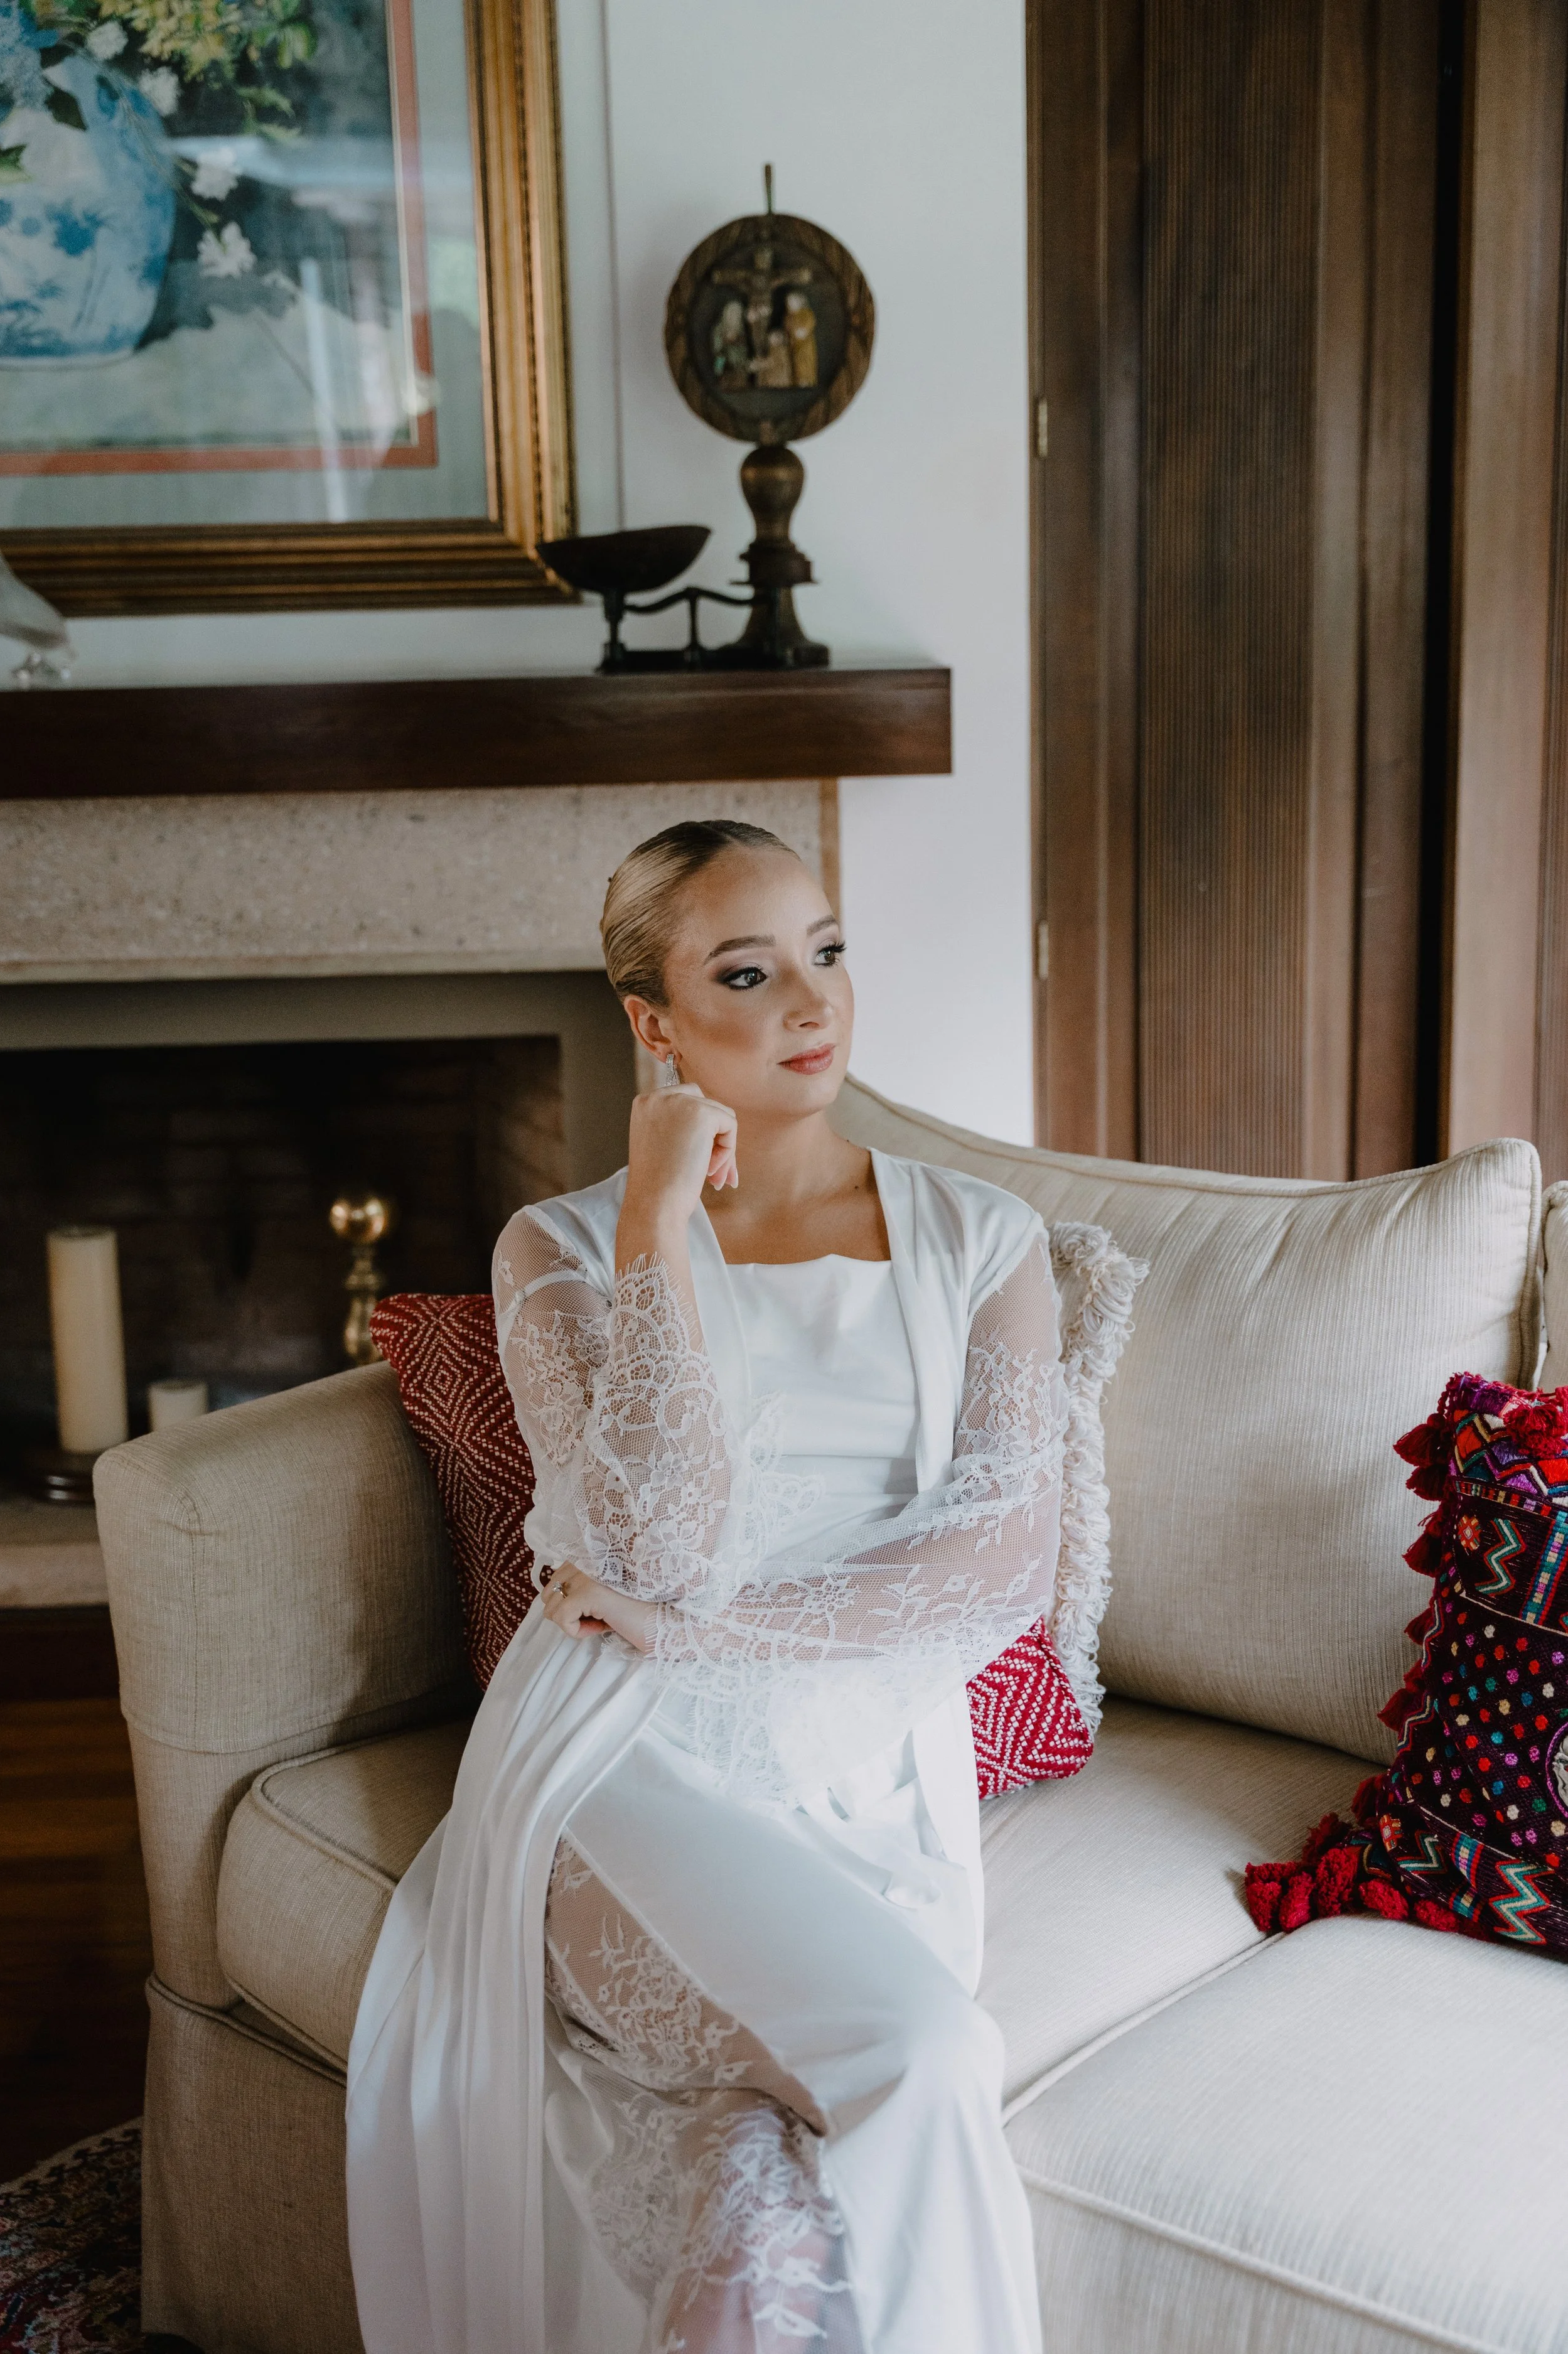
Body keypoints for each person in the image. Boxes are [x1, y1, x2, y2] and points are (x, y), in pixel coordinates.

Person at [347, 819, 1072, 2354]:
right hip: (624, 1751)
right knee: (919, 2060)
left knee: (759, 2209)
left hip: (865, 1767)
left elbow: (998, 1564)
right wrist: (654, 1224)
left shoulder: (982, 1237)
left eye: (825, 952)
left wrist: (716, 1631)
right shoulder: (551, 1245)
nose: (810, 1004)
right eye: (747, 972)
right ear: (651, 1023)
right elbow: (647, 1543)